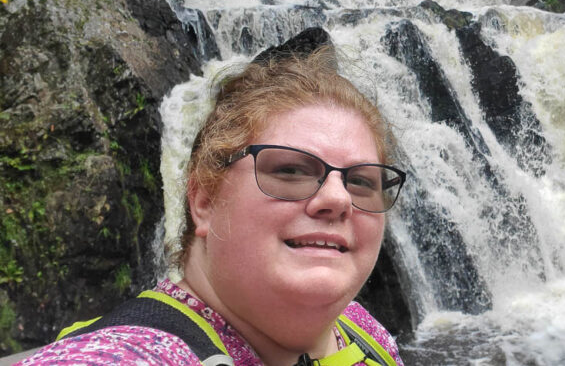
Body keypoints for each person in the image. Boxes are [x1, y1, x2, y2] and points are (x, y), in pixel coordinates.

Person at [18, 43, 407, 366]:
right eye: (290, 170)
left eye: (360, 181)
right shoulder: (133, 354)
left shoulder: (361, 330)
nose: (338, 198)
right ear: (203, 200)